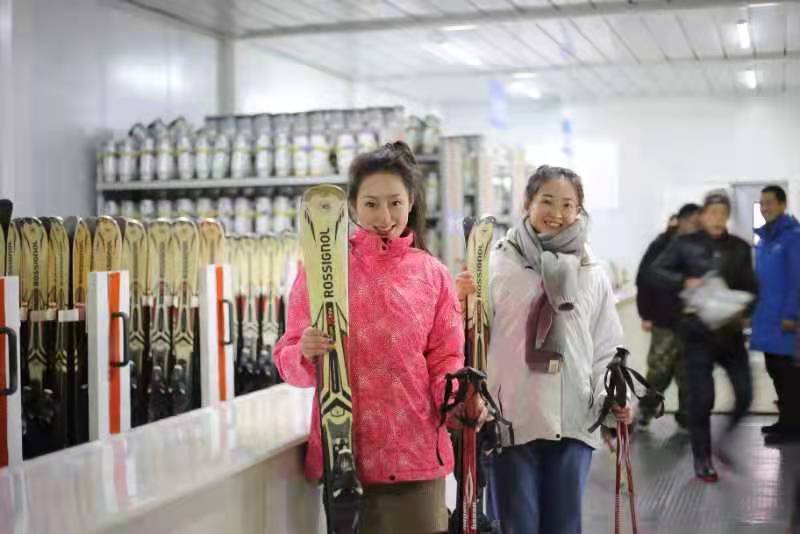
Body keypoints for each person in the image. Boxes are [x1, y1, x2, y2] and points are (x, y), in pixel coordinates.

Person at [273, 142, 469, 534]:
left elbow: (446, 357)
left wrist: (457, 397)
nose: (385, 216)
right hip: (348, 455)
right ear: (352, 207)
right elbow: (287, 359)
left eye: (395, 202)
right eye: (371, 204)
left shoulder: (432, 274)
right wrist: (303, 352)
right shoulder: (323, 269)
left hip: (416, 455)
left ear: (411, 201)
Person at [456, 165, 632, 534]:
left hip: (575, 416)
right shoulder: (495, 264)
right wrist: (459, 301)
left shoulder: (592, 270)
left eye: (568, 204)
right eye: (546, 201)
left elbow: (606, 345)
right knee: (517, 523)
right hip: (512, 417)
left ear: (579, 210)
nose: (557, 212)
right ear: (527, 203)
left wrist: (613, 396)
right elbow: (471, 338)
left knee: (564, 524)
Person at [648, 190, 757, 482]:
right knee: (702, 399)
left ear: (728, 216)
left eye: (723, 213)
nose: (718, 219)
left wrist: (747, 308)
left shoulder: (740, 248)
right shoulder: (684, 244)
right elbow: (656, 272)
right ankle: (702, 458)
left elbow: (752, 285)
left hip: (731, 333)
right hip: (696, 333)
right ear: (703, 215)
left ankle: (724, 443)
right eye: (713, 213)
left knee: (745, 395)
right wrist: (684, 280)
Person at [635, 203, 701, 429]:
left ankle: (686, 416)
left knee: (688, 373)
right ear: (681, 221)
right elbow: (643, 279)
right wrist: (646, 314)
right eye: (692, 222)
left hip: (692, 321)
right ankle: (646, 410)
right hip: (664, 320)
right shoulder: (662, 244)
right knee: (659, 370)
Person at [750, 185, 800, 444]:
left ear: (783, 204)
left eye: (770, 202)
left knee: (788, 375)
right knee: (775, 370)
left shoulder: (794, 237)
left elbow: (797, 280)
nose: (765, 207)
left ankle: (793, 426)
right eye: (762, 203)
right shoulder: (765, 240)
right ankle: (786, 420)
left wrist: (791, 313)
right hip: (766, 318)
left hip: (786, 320)